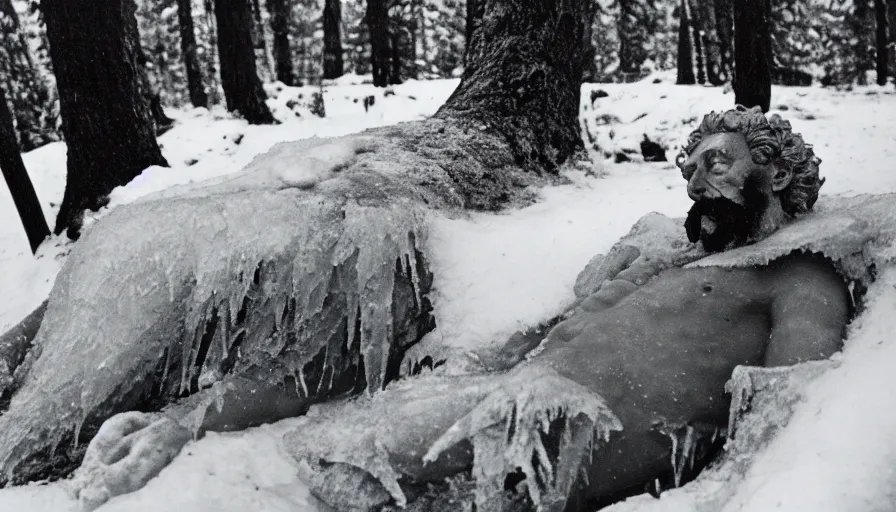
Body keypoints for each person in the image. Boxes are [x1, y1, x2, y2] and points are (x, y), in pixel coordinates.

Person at [66, 106, 854, 510]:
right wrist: (478, 358)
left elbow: (781, 429)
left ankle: (177, 452)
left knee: (313, 477)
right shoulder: (676, 263)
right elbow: (566, 334)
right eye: (687, 165)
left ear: (777, 173)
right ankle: (180, 432)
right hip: (500, 411)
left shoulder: (797, 277)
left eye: (717, 160)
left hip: (552, 438)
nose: (695, 178)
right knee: (317, 458)